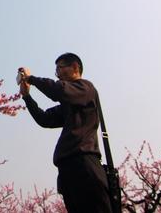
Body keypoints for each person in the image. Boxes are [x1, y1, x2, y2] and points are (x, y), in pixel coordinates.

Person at [18, 52, 112, 213]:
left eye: (60, 69)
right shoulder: (70, 104)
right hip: (68, 168)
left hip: (84, 164)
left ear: (75, 67)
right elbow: (44, 119)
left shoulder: (86, 88)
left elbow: (59, 91)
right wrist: (27, 96)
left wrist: (31, 79)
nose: (58, 74)